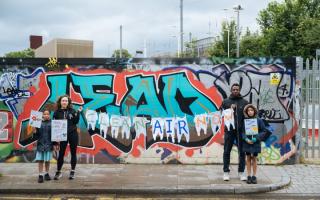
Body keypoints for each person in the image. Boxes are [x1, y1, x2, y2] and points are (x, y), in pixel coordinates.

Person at [220, 83, 249, 181]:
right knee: (227, 151)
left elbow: (249, 115)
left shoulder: (244, 102)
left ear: (239, 90)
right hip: (229, 131)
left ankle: (241, 172)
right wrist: (229, 109)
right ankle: (226, 172)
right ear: (231, 90)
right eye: (234, 89)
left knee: (242, 152)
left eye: (237, 89)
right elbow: (220, 114)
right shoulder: (226, 102)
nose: (235, 91)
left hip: (241, 131)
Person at [53, 95, 83, 180]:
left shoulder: (73, 111)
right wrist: (55, 140)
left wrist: (78, 113)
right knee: (61, 153)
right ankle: (58, 171)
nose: (64, 102)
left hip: (73, 133)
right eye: (63, 101)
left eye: (66, 101)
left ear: (68, 102)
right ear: (60, 102)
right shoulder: (56, 112)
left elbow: (76, 121)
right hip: (62, 135)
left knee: (73, 152)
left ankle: (72, 171)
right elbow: (55, 126)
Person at [242, 104, 266, 184]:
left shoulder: (259, 120)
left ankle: (254, 176)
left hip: (256, 142)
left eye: (251, 110)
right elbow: (242, 132)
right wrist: (246, 138)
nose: (250, 112)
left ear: (254, 111)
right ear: (246, 112)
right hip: (247, 142)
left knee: (254, 159)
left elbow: (264, 131)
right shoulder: (245, 121)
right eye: (248, 110)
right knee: (248, 158)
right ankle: (248, 176)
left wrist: (256, 138)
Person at [32, 109, 58, 183]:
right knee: (40, 160)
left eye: (47, 114)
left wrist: (55, 144)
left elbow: (55, 135)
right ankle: (40, 175)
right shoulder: (38, 123)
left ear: (50, 115)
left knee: (47, 160)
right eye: (44, 114)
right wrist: (34, 131)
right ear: (42, 115)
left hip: (49, 145)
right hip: (40, 144)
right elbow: (36, 136)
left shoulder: (53, 123)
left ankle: (46, 173)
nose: (46, 115)